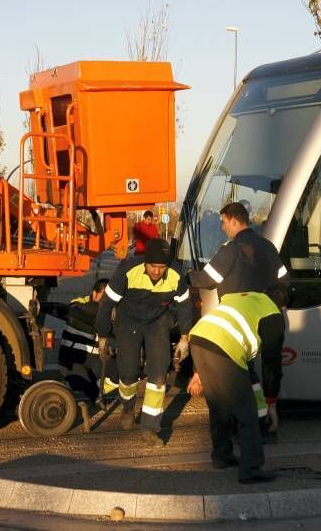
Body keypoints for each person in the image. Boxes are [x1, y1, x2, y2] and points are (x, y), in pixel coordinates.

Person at [189, 201, 289, 436]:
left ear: (234, 221)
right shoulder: (269, 247)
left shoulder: (231, 249)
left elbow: (205, 279)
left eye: (223, 223)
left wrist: (183, 278)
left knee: (239, 372)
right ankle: (265, 414)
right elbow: (284, 282)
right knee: (263, 369)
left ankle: (242, 426)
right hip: (267, 318)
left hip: (238, 324)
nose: (223, 227)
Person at [187, 284, 288, 484]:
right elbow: (271, 365)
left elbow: (219, 327)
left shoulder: (244, 295)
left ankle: (221, 456)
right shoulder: (273, 315)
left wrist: (197, 371)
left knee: (219, 404)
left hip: (198, 338)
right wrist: (270, 401)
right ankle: (251, 468)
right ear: (282, 306)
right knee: (247, 412)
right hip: (224, 348)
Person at [96, 238, 192, 447]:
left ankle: (150, 428)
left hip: (157, 322)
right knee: (128, 373)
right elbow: (106, 304)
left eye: (161, 267)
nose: (157, 271)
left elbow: (185, 306)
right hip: (128, 320)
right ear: (145, 262)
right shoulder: (128, 269)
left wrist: (185, 338)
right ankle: (128, 407)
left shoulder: (176, 274)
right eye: (153, 266)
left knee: (158, 375)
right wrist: (103, 335)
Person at [58, 279, 119, 403]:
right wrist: (106, 312)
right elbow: (79, 310)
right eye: (103, 298)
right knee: (86, 389)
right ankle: (87, 387)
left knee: (125, 373)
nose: (105, 303)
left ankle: (99, 386)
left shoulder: (113, 310)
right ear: (94, 293)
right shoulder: (78, 304)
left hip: (95, 358)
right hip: (73, 358)